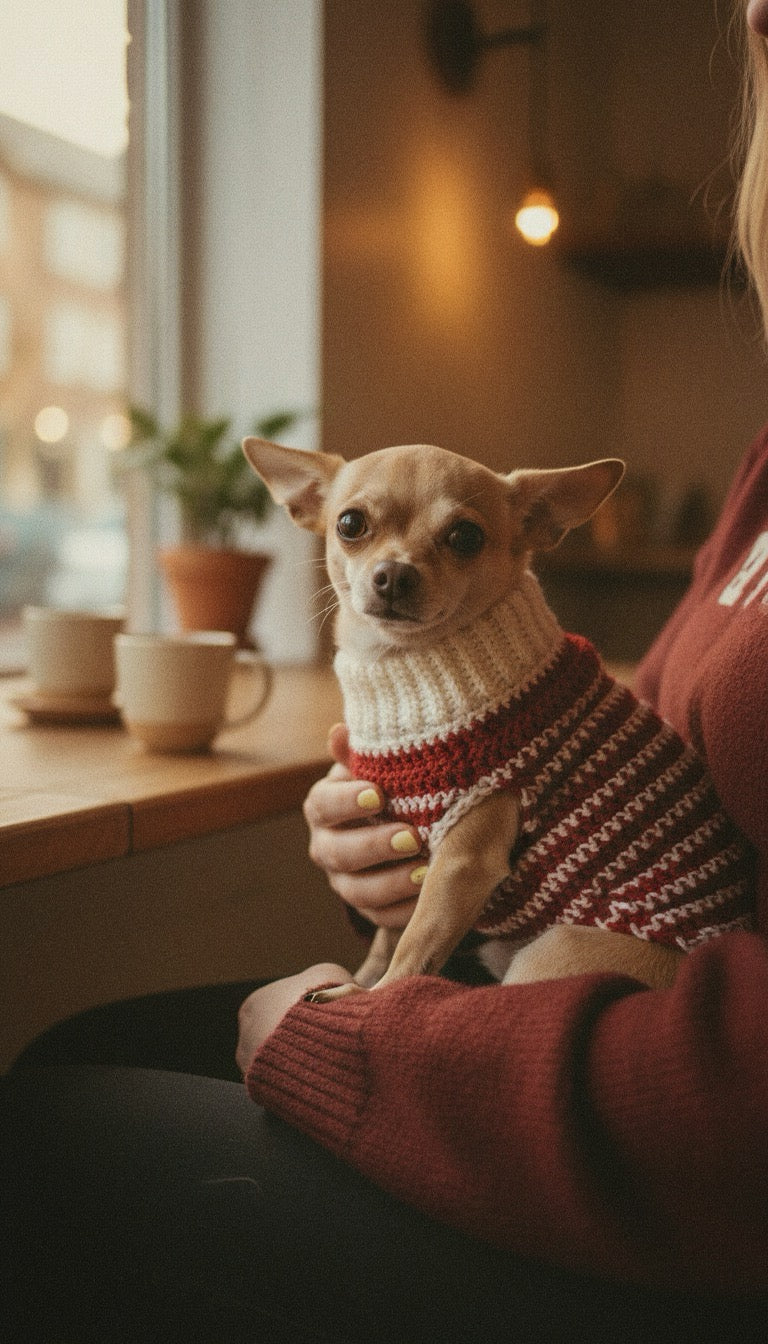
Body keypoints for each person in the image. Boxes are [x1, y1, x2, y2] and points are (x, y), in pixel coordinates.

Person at [2, 2, 768, 1339]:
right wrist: (383, 830)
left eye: (455, 540)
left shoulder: (501, 681)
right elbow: (629, 732)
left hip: (655, 1104)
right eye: (358, 529)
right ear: (315, 515)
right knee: (72, 1049)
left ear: (528, 535)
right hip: (557, 1004)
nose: (395, 567)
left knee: (43, 1140)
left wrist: (363, 1026)